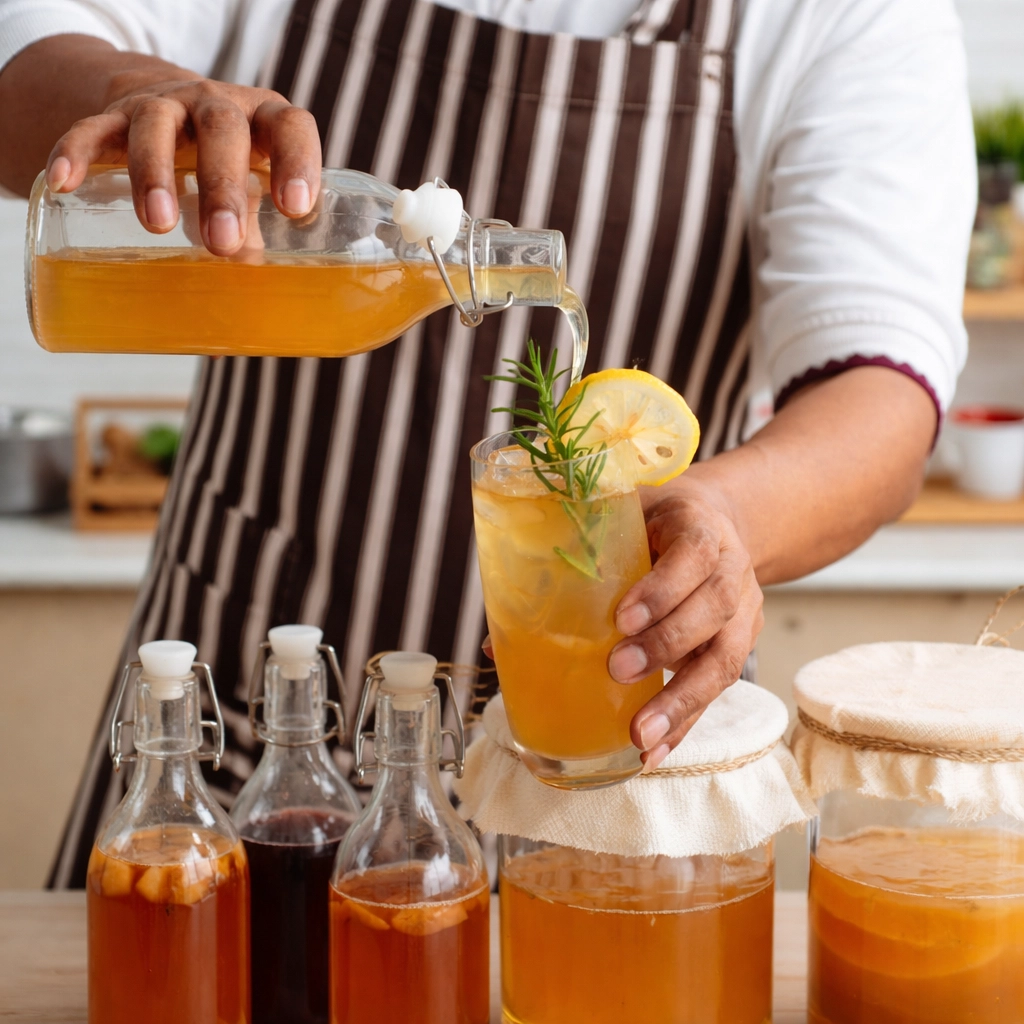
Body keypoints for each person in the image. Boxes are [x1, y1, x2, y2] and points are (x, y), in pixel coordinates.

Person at [0, 0, 974, 888]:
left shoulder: (850, 16)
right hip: (250, 729)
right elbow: (27, 56)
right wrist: (128, 96)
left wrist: (726, 515)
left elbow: (880, 388)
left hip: (610, 769)